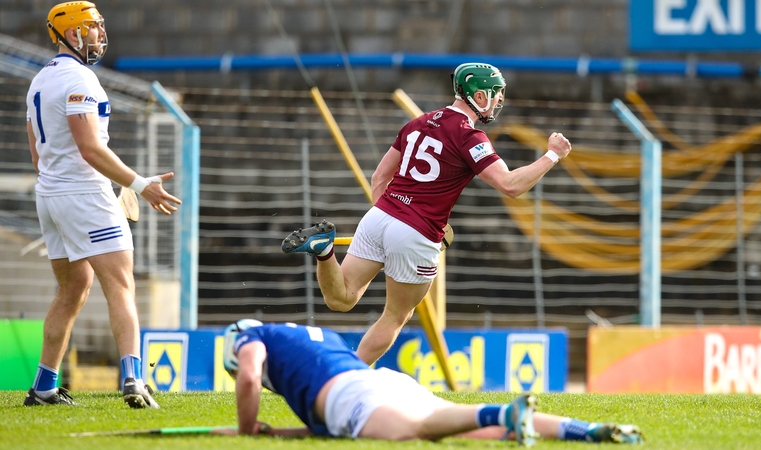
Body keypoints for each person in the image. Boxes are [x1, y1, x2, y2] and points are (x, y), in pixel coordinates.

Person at [282, 62, 572, 365]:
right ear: (479, 94)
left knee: (341, 298)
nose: (499, 100)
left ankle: (325, 251)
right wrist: (553, 155)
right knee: (395, 315)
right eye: (496, 93)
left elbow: (379, 178)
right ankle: (343, 379)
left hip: (378, 216)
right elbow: (510, 185)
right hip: (415, 232)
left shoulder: (417, 122)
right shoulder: (469, 136)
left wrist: (391, 223)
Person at [23, 1, 181, 408]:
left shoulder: (39, 80)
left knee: (72, 288)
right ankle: (134, 380)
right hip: (83, 195)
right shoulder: (82, 80)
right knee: (120, 286)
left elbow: (38, 156)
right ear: (73, 34)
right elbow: (91, 148)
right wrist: (140, 184)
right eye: (93, 28)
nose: (101, 35)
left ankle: (43, 387)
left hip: (51, 196)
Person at [217, 320, 644, 446]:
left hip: (354, 396)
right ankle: (586, 431)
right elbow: (329, 427)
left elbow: (251, 376)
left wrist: (244, 429)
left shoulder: (252, 338)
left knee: (417, 432)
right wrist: (281, 433)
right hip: (381, 384)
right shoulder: (312, 338)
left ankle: (505, 410)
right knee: (470, 430)